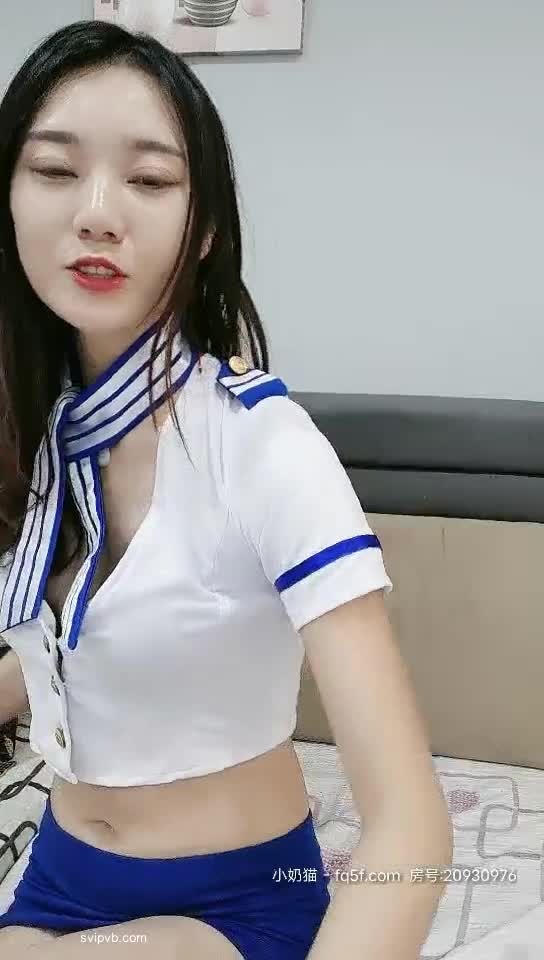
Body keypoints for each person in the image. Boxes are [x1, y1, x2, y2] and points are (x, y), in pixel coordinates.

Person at [0, 19, 453, 960]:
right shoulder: (36, 432)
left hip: (235, 902)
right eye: (53, 169)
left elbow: (410, 829)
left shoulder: (263, 449)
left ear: (204, 227)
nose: (97, 212)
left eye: (149, 179)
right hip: (58, 873)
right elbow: (76, 655)